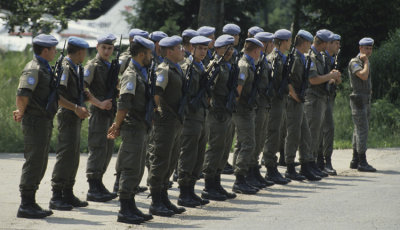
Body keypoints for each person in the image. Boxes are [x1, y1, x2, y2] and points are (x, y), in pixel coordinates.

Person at [50, 36, 110, 211]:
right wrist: (76, 107)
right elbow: (58, 96)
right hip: (68, 116)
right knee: (65, 156)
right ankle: (56, 195)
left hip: (75, 116)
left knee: (74, 156)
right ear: (80, 52)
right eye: (85, 52)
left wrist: (94, 103)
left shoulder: (76, 67)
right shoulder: (65, 68)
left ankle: (67, 192)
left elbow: (82, 91)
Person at [107, 36, 155, 224]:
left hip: (141, 126)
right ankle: (125, 209)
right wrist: (116, 125)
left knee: (137, 167)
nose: (152, 56)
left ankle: (131, 204)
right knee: (130, 167)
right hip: (133, 127)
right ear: (142, 54)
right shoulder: (132, 74)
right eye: (150, 53)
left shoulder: (142, 72)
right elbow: (124, 103)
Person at [13, 34, 59, 219]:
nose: (55, 52)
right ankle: (26, 204)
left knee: (40, 162)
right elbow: (23, 93)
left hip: (43, 121)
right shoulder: (34, 69)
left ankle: (31, 202)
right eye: (53, 49)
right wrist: (21, 111)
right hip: (34, 122)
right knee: (34, 162)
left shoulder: (44, 68)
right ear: (45, 50)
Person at [147, 35, 186, 217]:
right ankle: (156, 201)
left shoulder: (176, 68)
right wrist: (158, 112)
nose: (183, 50)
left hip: (176, 121)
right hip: (166, 121)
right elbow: (156, 92)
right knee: (160, 160)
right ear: (170, 51)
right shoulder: (163, 70)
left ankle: (163, 197)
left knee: (171, 160)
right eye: (179, 48)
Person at [177, 35, 212, 207]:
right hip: (190, 117)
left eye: (206, 49)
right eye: (200, 48)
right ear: (192, 48)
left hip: (201, 115)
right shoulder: (187, 67)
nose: (203, 52)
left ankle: (191, 189)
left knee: (199, 155)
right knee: (188, 153)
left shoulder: (201, 66)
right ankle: (184, 192)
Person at [84, 33, 119, 202]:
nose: (106, 51)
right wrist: (99, 103)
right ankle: (93, 187)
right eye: (103, 47)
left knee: (106, 150)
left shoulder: (109, 66)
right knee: (98, 149)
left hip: (109, 114)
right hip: (98, 113)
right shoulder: (93, 65)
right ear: (97, 47)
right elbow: (83, 88)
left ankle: (99, 183)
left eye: (110, 48)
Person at [202, 35, 237, 201]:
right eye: (226, 48)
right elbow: (207, 91)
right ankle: (209, 185)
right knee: (215, 148)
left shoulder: (228, 65)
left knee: (224, 149)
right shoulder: (214, 66)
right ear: (217, 49)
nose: (229, 51)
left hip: (226, 111)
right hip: (216, 113)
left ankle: (217, 182)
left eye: (231, 48)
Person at [284, 30, 321, 181]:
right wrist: (294, 95)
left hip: (300, 100)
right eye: (309, 43)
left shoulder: (302, 58)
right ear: (305, 43)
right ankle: (290, 166)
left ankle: (306, 164)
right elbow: (287, 80)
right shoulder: (294, 58)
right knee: (293, 133)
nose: (310, 46)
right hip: (293, 101)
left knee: (305, 133)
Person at [303, 29, 341, 178]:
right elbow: (313, 80)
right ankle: (307, 164)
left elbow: (323, 77)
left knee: (318, 133)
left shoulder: (320, 57)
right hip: (313, 99)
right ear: (324, 43)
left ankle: (313, 164)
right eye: (329, 42)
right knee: (312, 133)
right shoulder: (311, 57)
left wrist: (332, 78)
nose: (331, 45)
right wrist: (330, 76)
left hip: (321, 98)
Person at [232, 38, 264, 194]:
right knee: (248, 144)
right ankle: (240, 179)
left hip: (247, 109)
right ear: (256, 50)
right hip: (242, 110)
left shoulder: (249, 64)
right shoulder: (244, 66)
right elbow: (238, 90)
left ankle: (240, 177)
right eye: (260, 51)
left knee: (241, 143)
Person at [262, 29, 292, 185]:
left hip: (280, 101)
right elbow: (271, 82)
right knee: (273, 133)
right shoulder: (274, 59)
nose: (290, 43)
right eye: (288, 40)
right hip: (274, 101)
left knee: (277, 132)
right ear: (282, 41)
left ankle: (272, 166)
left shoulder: (282, 58)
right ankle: (270, 167)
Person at [247, 31, 275, 187]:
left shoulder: (264, 60)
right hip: (257, 105)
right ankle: (250, 171)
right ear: (264, 45)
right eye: (270, 43)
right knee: (255, 138)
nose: (272, 46)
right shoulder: (257, 62)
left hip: (264, 104)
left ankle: (255, 169)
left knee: (261, 138)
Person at [348, 37, 376, 172]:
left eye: (370, 48)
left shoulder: (365, 61)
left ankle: (355, 159)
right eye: (366, 48)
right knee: (362, 130)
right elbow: (363, 76)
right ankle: (362, 161)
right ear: (360, 48)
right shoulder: (355, 62)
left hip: (365, 98)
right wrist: (365, 62)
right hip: (358, 98)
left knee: (358, 129)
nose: (369, 51)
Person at [317, 33, 342, 175]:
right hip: (321, 96)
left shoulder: (333, 58)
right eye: (336, 43)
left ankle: (323, 159)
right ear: (329, 43)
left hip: (329, 96)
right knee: (326, 128)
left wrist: (336, 79)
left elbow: (338, 79)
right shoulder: (322, 58)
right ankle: (324, 160)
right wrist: (330, 79)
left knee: (326, 129)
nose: (338, 46)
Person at [221, 23, 241, 175]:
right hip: (220, 105)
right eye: (235, 35)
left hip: (229, 103)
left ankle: (223, 161)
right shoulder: (222, 59)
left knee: (229, 135)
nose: (237, 38)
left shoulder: (234, 55)